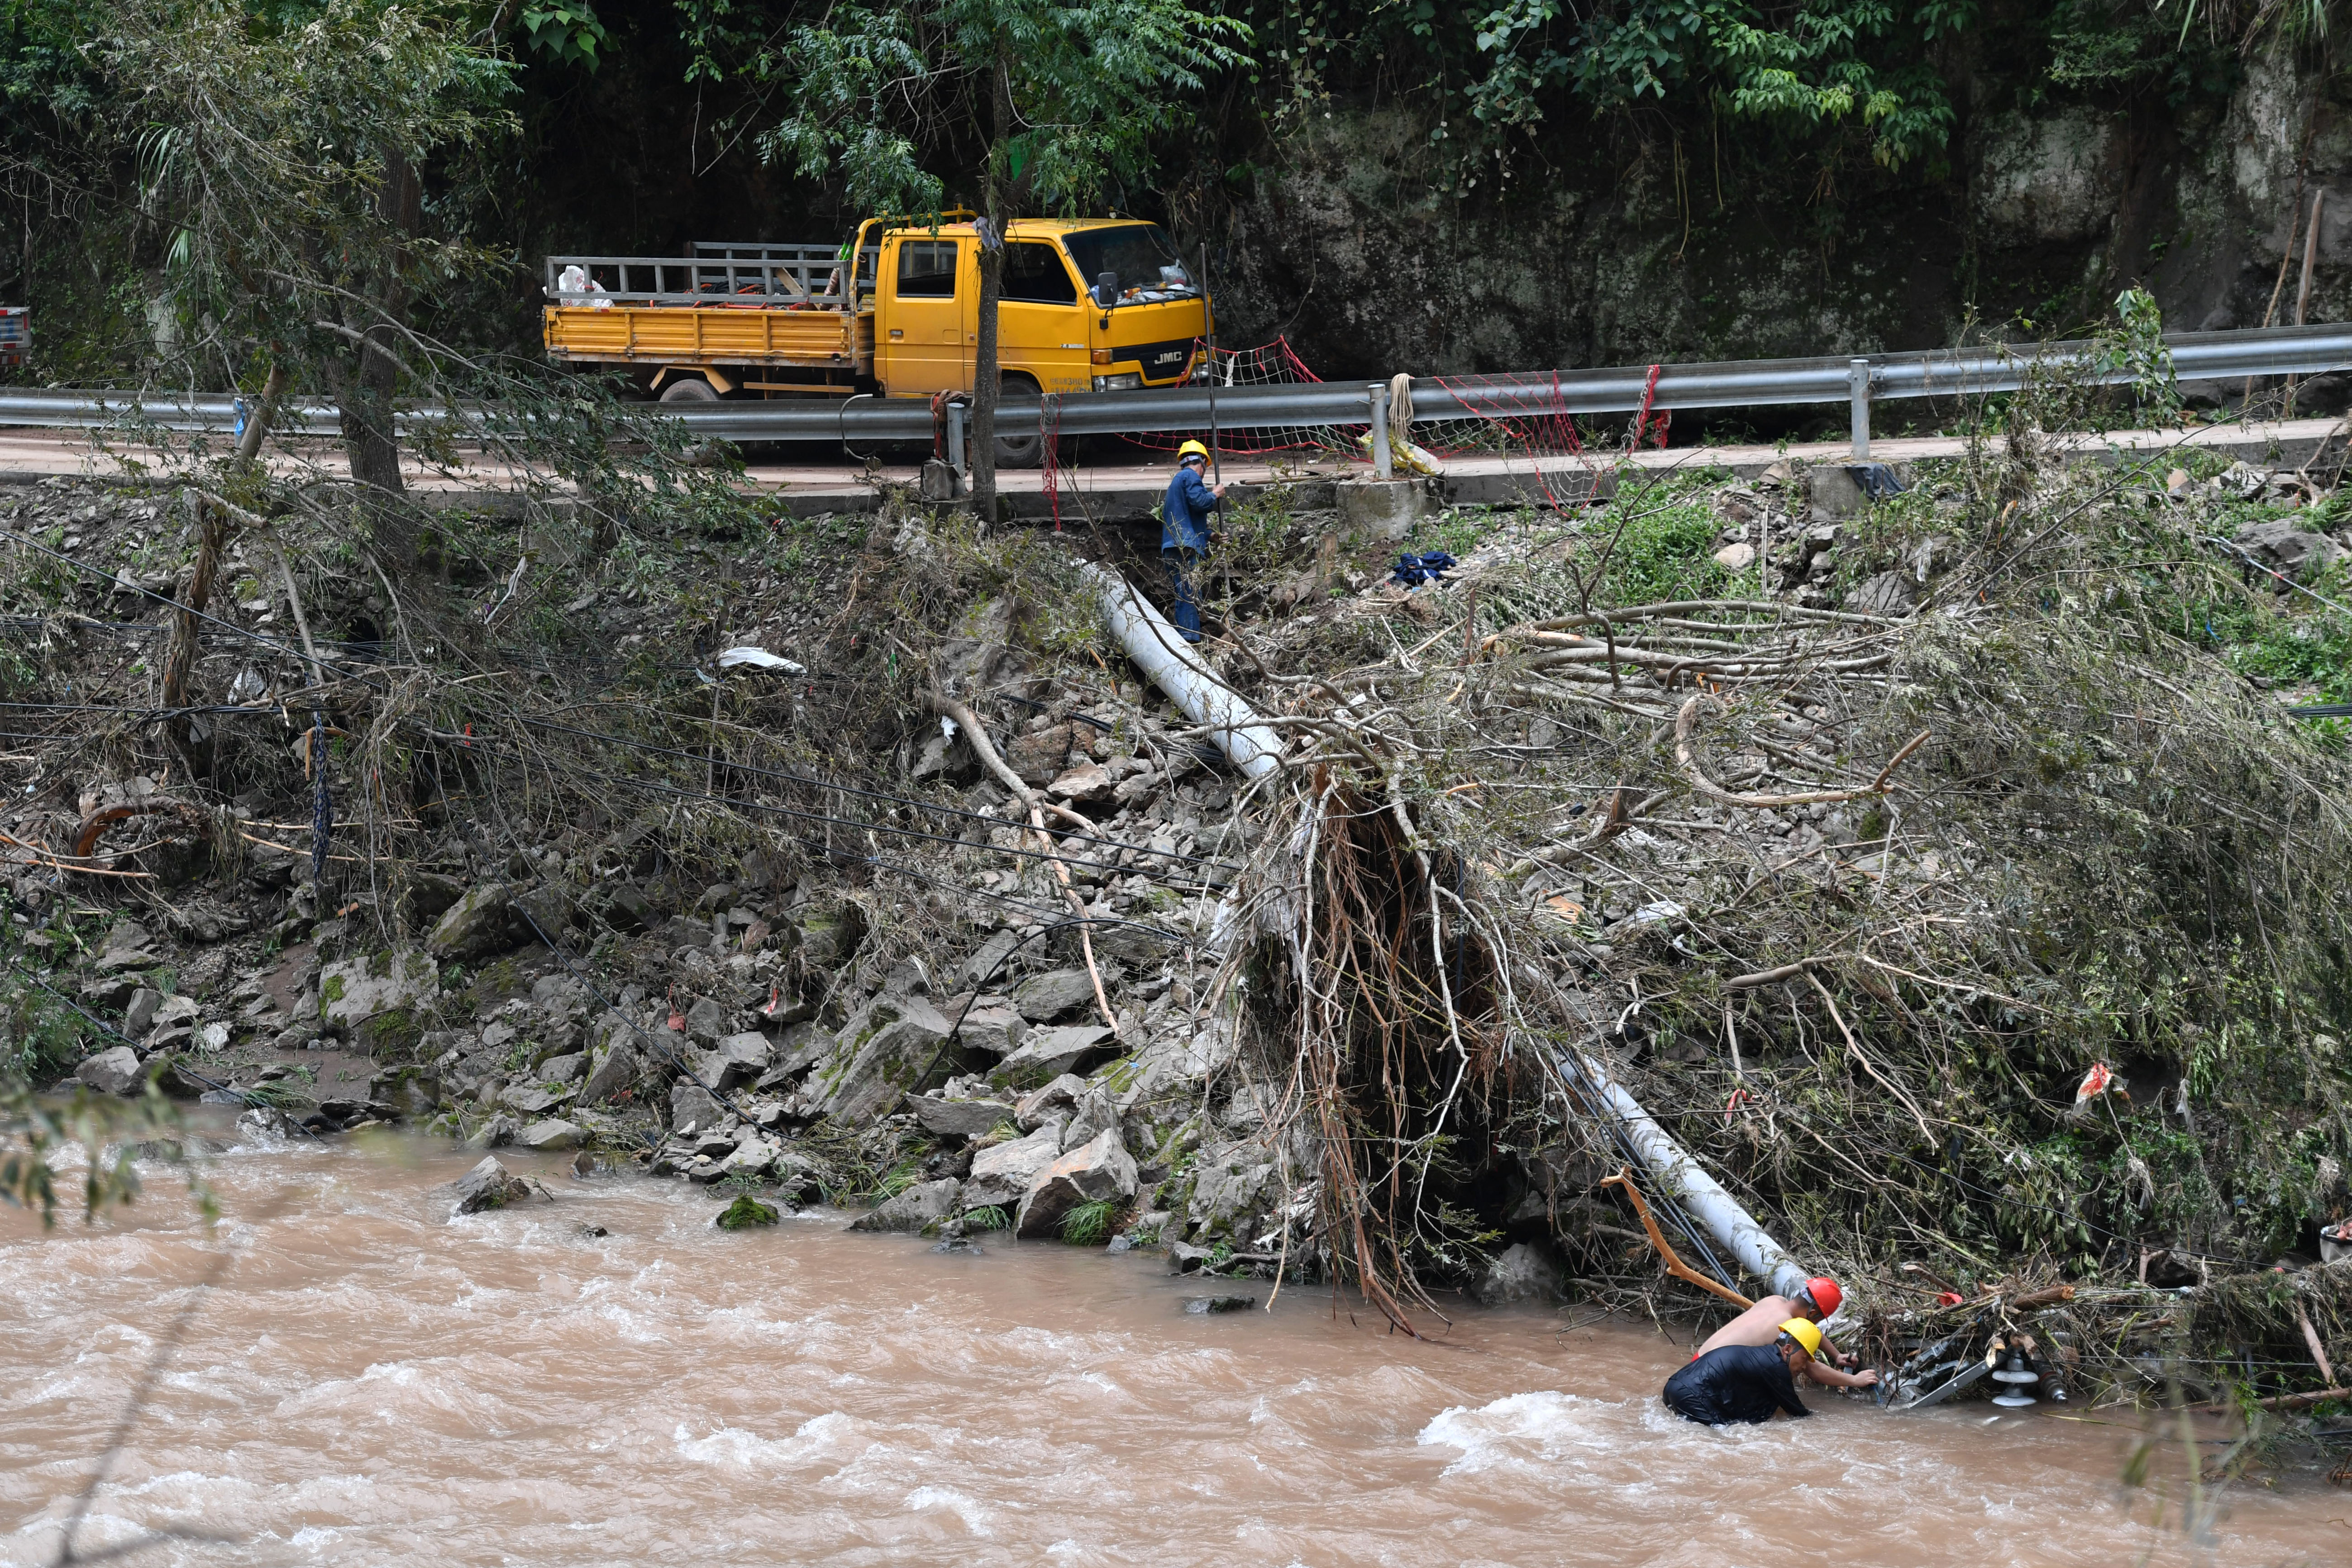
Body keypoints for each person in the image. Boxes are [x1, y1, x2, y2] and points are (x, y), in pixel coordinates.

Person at [1662, 1319, 1877, 1426]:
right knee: (1720, 1439)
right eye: (1804, 1360)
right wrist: (1826, 1424)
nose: (1804, 1367)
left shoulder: (1768, 1356)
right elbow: (1797, 1411)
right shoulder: (1775, 1368)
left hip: (1675, 1386)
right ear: (1788, 1349)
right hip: (1690, 1395)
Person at [1692, 1276, 1859, 1375]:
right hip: (1710, 1373)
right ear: (1813, 1313)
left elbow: (1812, 1331)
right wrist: (1855, 1380)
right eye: (1819, 1320)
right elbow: (1811, 1368)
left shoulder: (1774, 1300)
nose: (1817, 1324)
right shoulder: (1787, 1327)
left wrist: (1836, 1355)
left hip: (1697, 1361)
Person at [1160, 439, 1225, 643]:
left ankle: (1189, 635)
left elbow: (1188, 517)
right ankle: (1188, 638)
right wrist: (1214, 494)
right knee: (1188, 591)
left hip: (1175, 545)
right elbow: (1199, 502)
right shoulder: (1190, 476)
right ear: (1203, 462)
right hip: (1185, 546)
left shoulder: (1178, 484)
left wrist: (1211, 536)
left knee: (1184, 591)